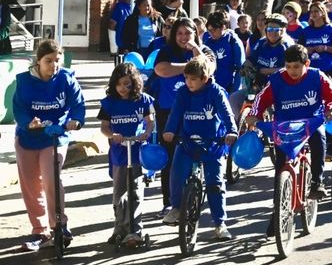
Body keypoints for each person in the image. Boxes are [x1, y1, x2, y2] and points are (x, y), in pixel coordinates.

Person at [245, 43, 332, 199]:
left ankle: (317, 182)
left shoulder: (317, 76)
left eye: (296, 67)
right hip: (284, 125)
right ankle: (278, 200)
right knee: (280, 162)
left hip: (311, 122)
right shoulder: (276, 79)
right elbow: (261, 98)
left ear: (307, 64)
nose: (292, 71)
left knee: (319, 138)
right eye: (288, 67)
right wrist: (254, 114)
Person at [14, 39, 86, 252]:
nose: (54, 65)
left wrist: (75, 120)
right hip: (27, 137)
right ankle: (40, 230)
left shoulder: (66, 79)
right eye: (48, 61)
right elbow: (18, 107)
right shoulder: (25, 81)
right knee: (30, 185)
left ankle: (59, 225)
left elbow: (78, 104)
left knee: (51, 178)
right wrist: (28, 122)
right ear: (38, 61)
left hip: (55, 136)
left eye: (57, 60)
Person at [161, 56, 237, 238]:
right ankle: (177, 208)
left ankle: (220, 224)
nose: (189, 82)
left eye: (193, 79)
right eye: (186, 78)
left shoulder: (216, 92)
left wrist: (232, 131)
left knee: (215, 184)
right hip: (188, 142)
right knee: (176, 173)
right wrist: (169, 130)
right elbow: (176, 112)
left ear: (204, 78)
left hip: (213, 144)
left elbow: (226, 114)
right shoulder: (183, 93)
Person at [153, 18, 215, 214]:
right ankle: (169, 202)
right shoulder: (165, 50)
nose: (183, 37)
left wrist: (195, 49)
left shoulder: (205, 50)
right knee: (170, 157)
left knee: (198, 153)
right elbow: (161, 70)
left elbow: (208, 69)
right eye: (179, 33)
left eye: (188, 33)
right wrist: (189, 67)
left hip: (199, 112)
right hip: (168, 110)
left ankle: (197, 194)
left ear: (195, 33)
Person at [99, 62, 155, 248]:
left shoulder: (143, 100)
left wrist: (146, 132)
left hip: (137, 151)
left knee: (136, 191)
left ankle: (135, 230)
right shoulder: (109, 103)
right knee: (119, 192)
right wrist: (112, 135)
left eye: (126, 84)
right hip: (119, 153)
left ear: (134, 83)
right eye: (119, 84)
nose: (122, 88)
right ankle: (119, 228)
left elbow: (150, 121)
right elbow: (104, 127)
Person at [202, 10, 246, 105]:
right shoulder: (208, 41)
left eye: (214, 30)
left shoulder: (233, 41)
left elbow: (240, 68)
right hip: (211, 88)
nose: (211, 33)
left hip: (228, 88)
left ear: (223, 27)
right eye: (209, 30)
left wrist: (234, 92)